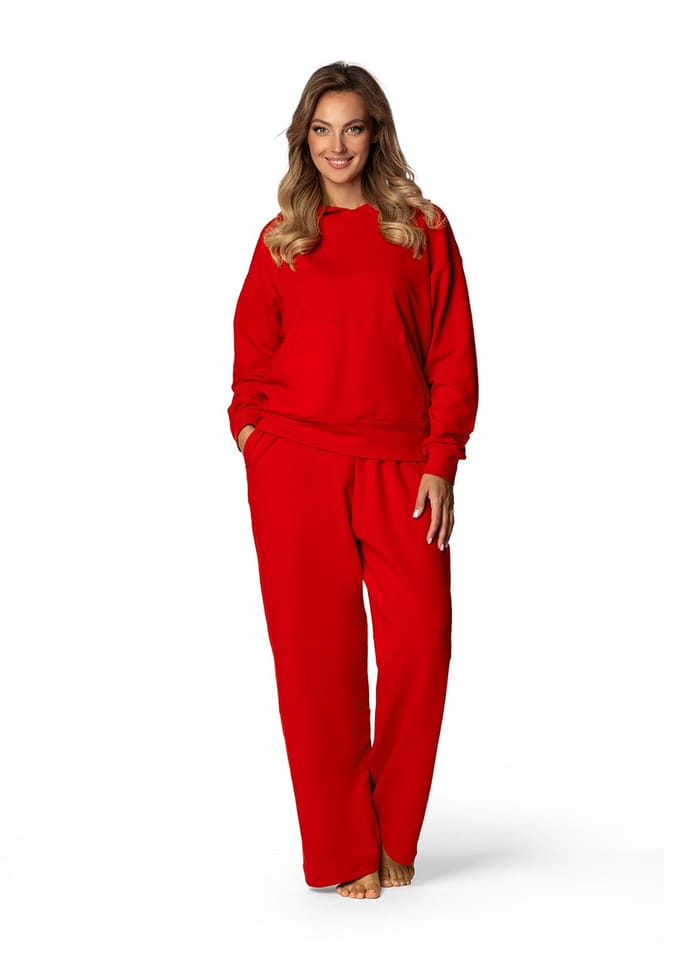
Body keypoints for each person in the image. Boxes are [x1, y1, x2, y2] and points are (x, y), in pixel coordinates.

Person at [227, 61, 479, 900]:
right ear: (305, 139)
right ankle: (342, 850)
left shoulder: (422, 229)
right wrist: (255, 438)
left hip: (401, 466)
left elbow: (451, 354)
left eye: (354, 128)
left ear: (377, 134)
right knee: (316, 664)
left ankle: (393, 830)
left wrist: (442, 460)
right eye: (322, 130)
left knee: (422, 646)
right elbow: (250, 364)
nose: (338, 146)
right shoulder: (282, 239)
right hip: (296, 468)